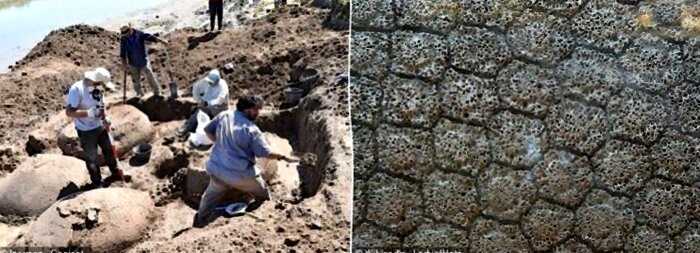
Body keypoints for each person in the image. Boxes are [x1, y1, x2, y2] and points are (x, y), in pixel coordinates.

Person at [194, 95, 298, 227]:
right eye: (256, 110)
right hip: (241, 175)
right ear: (247, 110)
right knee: (263, 195)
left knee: (209, 197)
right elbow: (266, 153)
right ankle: (267, 216)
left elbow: (207, 130)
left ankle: (201, 219)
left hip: (217, 170)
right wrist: (284, 156)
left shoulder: (224, 115)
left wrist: (220, 143)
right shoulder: (251, 130)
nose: (258, 113)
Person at [65, 67, 124, 189]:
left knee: (108, 150)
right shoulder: (77, 89)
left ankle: (115, 173)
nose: (102, 88)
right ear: (95, 81)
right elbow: (69, 112)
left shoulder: (97, 87)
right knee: (92, 158)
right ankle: (97, 183)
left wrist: (104, 117)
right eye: (101, 84)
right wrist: (89, 113)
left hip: (100, 126)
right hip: (86, 131)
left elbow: (100, 103)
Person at [120, 25, 169, 97]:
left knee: (150, 76)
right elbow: (123, 53)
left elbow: (150, 37)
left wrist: (161, 41)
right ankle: (139, 95)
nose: (126, 35)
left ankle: (157, 93)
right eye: (124, 34)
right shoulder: (124, 39)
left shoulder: (139, 34)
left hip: (143, 60)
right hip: (132, 62)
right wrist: (124, 64)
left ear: (130, 30)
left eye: (126, 33)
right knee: (136, 81)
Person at [180, 69, 229, 135]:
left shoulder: (223, 85)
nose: (210, 83)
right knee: (197, 111)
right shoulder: (208, 83)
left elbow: (220, 100)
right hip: (209, 106)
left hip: (220, 108)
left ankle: (188, 129)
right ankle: (188, 128)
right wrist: (200, 100)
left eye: (211, 82)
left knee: (200, 112)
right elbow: (197, 88)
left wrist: (207, 103)